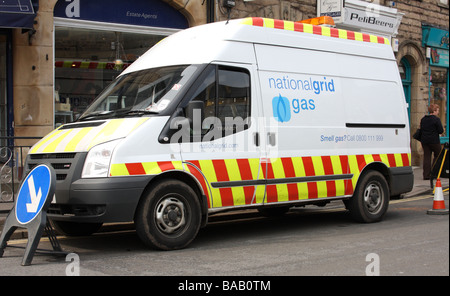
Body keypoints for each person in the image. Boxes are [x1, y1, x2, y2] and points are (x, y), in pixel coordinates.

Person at [420, 104, 444, 180]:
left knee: (427, 157)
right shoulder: (436, 119)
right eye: (437, 111)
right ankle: (434, 173)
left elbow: (421, 129)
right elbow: (441, 130)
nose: (438, 112)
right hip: (434, 140)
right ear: (433, 111)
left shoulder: (423, 119)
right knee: (439, 155)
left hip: (424, 140)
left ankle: (426, 175)